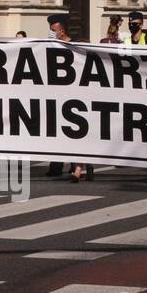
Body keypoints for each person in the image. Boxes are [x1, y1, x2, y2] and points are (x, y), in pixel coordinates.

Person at [45, 14, 92, 182]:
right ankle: (57, 166)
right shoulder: (49, 46)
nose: (50, 34)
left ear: (61, 30)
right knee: (57, 131)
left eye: (53, 30)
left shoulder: (76, 46)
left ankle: (77, 167)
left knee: (75, 130)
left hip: (76, 95)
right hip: (57, 94)